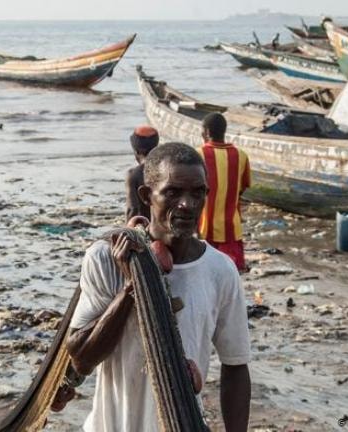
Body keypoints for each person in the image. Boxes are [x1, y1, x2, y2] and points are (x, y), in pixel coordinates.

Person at [67, 142, 251, 432]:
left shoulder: (220, 270)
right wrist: (131, 289)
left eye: (197, 193)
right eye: (173, 192)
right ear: (146, 195)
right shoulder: (106, 258)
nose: (187, 204)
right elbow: (81, 359)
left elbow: (236, 366)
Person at [197, 113, 251, 271]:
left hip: (204, 228)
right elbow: (242, 188)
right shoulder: (241, 156)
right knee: (232, 273)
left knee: (205, 272)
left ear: (206, 132)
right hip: (231, 228)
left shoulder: (198, 155)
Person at [125, 125, 159, 221]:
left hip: (145, 226)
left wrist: (128, 231)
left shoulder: (134, 174)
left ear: (136, 151)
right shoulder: (166, 169)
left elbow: (132, 209)